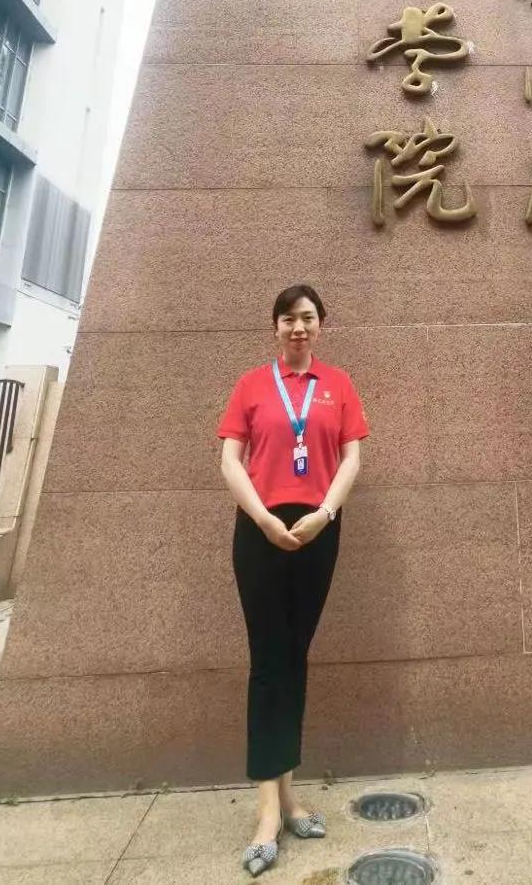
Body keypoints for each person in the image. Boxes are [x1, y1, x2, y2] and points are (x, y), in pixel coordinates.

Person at [219, 284, 368, 876]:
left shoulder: (339, 385)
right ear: (276, 327)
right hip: (260, 528)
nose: (297, 327)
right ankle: (266, 814)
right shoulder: (252, 385)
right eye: (288, 318)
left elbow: (352, 457)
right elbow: (230, 459)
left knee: (294, 657)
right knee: (267, 661)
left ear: (321, 324)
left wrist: (325, 514)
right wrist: (262, 518)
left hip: (317, 528)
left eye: (307, 317)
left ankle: (288, 799)